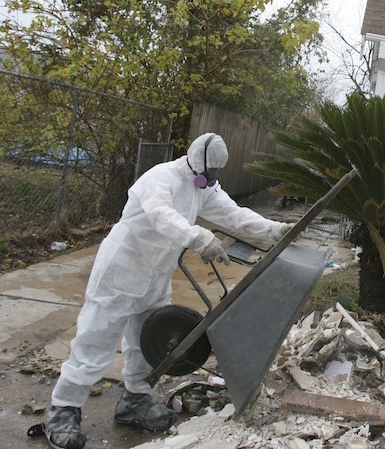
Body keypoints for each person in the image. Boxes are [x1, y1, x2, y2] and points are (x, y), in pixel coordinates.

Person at [41, 133, 294, 449]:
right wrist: (197, 237)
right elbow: (161, 216)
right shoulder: (161, 177)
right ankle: (63, 410)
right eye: (210, 169)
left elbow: (234, 215)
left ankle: (135, 402)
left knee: (147, 341)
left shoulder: (204, 187)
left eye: (218, 171)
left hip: (156, 273)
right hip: (123, 267)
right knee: (96, 339)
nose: (213, 176)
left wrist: (275, 229)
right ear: (195, 159)